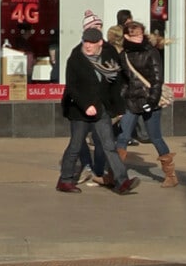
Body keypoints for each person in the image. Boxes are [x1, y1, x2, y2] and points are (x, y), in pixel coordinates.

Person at [57, 24, 132, 193]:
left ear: (100, 42)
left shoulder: (108, 56)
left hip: (101, 108)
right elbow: (71, 88)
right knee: (75, 145)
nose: (88, 45)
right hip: (79, 110)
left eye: (91, 42)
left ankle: (122, 181)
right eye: (85, 42)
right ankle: (65, 180)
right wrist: (86, 105)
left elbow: (115, 83)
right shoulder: (76, 59)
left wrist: (119, 107)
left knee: (108, 145)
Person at [115, 16, 176, 184]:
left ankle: (170, 175)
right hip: (131, 101)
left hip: (150, 102)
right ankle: (117, 174)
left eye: (141, 34)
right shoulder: (124, 55)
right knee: (122, 137)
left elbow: (157, 79)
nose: (139, 38)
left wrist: (153, 100)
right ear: (127, 36)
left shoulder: (151, 52)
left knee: (155, 137)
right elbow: (123, 81)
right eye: (135, 35)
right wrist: (121, 100)